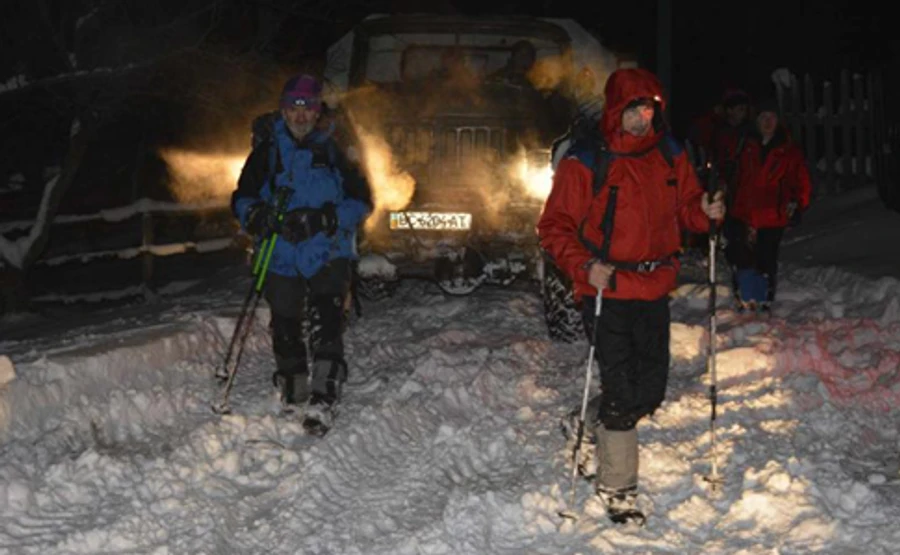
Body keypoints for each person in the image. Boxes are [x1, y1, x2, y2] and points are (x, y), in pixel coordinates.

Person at [536, 67, 725, 525]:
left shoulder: (669, 153)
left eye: (649, 110)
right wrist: (585, 266)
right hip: (606, 289)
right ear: (615, 111)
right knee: (621, 390)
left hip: (654, 285)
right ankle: (618, 487)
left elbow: (687, 209)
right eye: (634, 110)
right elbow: (553, 227)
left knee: (650, 390)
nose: (643, 119)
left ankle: (584, 425)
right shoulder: (586, 160)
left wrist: (705, 210)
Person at [231, 74, 372, 434]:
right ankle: (293, 389)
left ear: (317, 110)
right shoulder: (267, 151)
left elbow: (362, 201)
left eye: (307, 107)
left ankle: (324, 395)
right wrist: (256, 215)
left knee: (327, 318)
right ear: (283, 110)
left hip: (327, 247)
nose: (300, 115)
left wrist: (325, 218)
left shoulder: (335, 148)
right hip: (280, 250)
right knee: (285, 321)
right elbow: (242, 197)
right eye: (293, 108)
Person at [725, 95, 811, 313]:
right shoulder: (743, 145)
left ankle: (763, 300)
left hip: (773, 214)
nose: (768, 122)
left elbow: (801, 181)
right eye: (763, 117)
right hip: (743, 211)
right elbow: (731, 176)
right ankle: (745, 298)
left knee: (766, 258)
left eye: (772, 117)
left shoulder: (788, 150)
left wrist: (798, 203)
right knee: (742, 256)